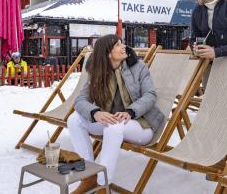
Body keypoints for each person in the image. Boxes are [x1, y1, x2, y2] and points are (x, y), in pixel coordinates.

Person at [67, 34, 165, 194]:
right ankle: (89, 176)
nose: (124, 46)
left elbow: (150, 95)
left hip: (141, 124)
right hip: (113, 121)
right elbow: (80, 100)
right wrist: (95, 112)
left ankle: (102, 185)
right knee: (74, 120)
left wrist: (131, 111)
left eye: (122, 43)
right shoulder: (98, 72)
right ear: (107, 53)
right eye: (118, 45)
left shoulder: (138, 67)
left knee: (113, 128)